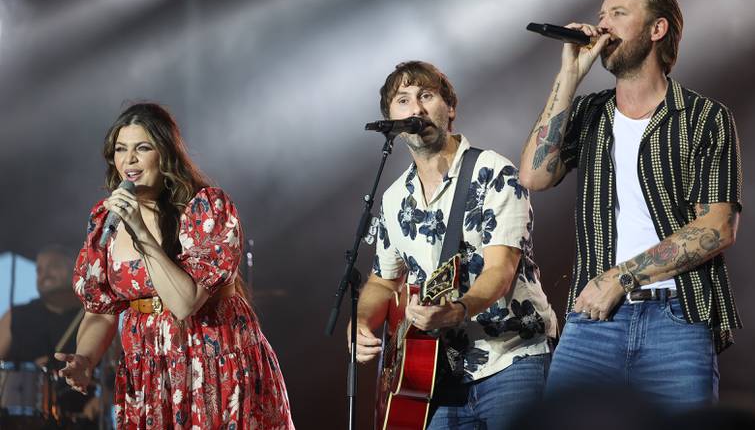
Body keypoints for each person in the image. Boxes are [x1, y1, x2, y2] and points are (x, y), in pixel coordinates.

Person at [518, 0, 742, 408]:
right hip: (593, 319)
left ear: (657, 29)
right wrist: (569, 76)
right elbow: (533, 176)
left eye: (618, 14)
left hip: (676, 318)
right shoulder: (589, 112)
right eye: (602, 15)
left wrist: (622, 277)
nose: (603, 25)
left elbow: (717, 227)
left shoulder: (704, 118)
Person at [55, 102, 294, 429]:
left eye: (142, 148)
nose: (130, 159)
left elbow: (183, 303)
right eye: (121, 149)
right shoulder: (104, 221)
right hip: (151, 377)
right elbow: (100, 312)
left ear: (165, 153)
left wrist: (140, 232)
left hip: (214, 369)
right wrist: (85, 360)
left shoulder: (206, 209)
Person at [353, 61, 557, 429]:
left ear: (450, 108)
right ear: (391, 121)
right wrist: (362, 325)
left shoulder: (494, 172)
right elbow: (383, 281)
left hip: (511, 359)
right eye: (403, 100)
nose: (415, 109)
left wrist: (458, 310)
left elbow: (500, 270)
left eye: (426, 96)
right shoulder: (394, 198)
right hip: (435, 379)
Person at [0, 245, 82, 366]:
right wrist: (30, 369)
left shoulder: (94, 316)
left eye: (54, 266)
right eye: (39, 270)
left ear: (76, 270)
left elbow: (111, 370)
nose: (45, 275)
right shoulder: (15, 316)